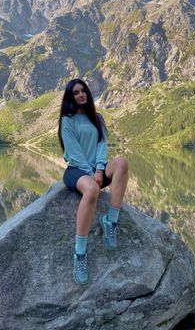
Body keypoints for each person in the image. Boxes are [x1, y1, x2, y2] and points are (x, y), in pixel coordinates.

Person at [58, 79, 128, 285]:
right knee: (91, 190)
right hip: (76, 171)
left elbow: (101, 145)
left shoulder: (96, 118)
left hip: (95, 169)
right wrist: (90, 173)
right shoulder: (67, 120)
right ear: (71, 97)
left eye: (83, 91)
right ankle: (80, 254)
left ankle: (111, 221)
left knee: (121, 163)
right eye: (76, 93)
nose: (81, 95)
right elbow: (73, 151)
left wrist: (99, 169)